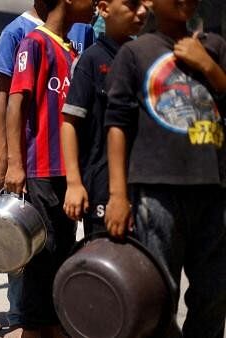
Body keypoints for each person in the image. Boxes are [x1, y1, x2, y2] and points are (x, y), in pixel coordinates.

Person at [104, 0, 226, 335]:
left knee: (214, 293)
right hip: (157, 190)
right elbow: (116, 124)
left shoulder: (215, 47)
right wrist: (118, 195)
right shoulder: (136, 53)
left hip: (213, 188)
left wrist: (209, 67)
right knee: (158, 291)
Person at [0, 3, 94, 335]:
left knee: (61, 251)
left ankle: (54, 324)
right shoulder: (33, 43)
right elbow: (14, 103)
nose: (93, 3)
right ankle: (34, 328)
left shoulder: (72, 47)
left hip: (67, 170)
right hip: (41, 170)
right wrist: (14, 163)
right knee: (40, 256)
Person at [61, 0, 148, 235]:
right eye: (132, 3)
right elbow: (70, 123)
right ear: (104, 8)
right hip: (102, 186)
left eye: (144, 3)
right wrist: (74, 183)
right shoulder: (91, 60)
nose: (141, 11)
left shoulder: (145, 59)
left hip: (144, 184)